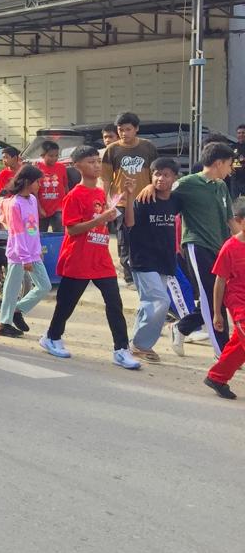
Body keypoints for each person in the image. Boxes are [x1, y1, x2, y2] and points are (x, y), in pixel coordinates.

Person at [39, 146, 139, 368]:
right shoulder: (73, 196)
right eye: (91, 162)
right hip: (78, 257)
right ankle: (52, 337)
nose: (96, 165)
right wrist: (100, 219)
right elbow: (72, 229)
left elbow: (124, 221)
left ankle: (121, 349)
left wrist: (129, 195)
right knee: (66, 303)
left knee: (114, 303)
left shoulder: (101, 193)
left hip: (101, 259)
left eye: (97, 161)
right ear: (77, 166)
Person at [163, 142, 236, 356]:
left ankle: (181, 327)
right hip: (197, 246)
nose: (231, 169)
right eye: (230, 164)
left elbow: (230, 220)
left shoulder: (221, 186)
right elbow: (163, 192)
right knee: (210, 298)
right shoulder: (187, 183)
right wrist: (149, 187)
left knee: (219, 297)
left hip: (220, 248)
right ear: (219, 163)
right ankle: (222, 351)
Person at [125, 157, 180, 362]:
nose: (160, 178)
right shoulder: (144, 199)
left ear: (174, 178)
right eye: (157, 174)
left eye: (166, 175)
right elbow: (129, 223)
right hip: (143, 259)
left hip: (164, 259)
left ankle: (134, 344)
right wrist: (130, 197)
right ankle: (141, 344)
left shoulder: (176, 200)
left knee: (148, 304)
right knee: (160, 301)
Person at [101, 112, 160, 285]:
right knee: (124, 239)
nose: (124, 133)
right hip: (121, 202)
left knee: (146, 236)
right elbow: (106, 178)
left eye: (128, 129)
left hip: (145, 200)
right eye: (121, 130)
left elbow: (156, 172)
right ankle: (129, 276)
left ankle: (146, 270)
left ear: (136, 129)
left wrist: (154, 189)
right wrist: (105, 201)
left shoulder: (148, 147)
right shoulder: (112, 150)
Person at [0, 165, 51, 338]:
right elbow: (17, 233)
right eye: (37, 182)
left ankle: (18, 310)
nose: (39, 185)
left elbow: (34, 229)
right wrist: (25, 257)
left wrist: (38, 249)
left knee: (45, 286)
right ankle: (3, 324)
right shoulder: (14, 204)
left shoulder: (32, 199)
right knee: (12, 290)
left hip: (33, 253)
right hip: (19, 254)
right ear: (27, 182)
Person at [204, 197, 245, 398]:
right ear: (238, 220)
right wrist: (217, 313)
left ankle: (217, 377)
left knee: (239, 346)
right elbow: (220, 281)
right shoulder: (230, 247)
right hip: (239, 304)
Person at [34, 141, 68, 232]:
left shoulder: (61, 167)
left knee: (60, 232)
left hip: (59, 208)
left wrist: (67, 205)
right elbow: (34, 191)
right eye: (51, 156)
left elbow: (65, 186)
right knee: (41, 234)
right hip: (43, 208)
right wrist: (39, 208)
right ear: (42, 155)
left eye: (56, 155)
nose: (54, 158)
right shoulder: (37, 168)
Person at [231, 124, 245, 199]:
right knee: (235, 200)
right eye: (239, 133)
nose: (241, 135)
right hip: (235, 179)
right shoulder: (233, 147)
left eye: (243, 133)